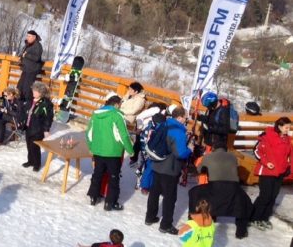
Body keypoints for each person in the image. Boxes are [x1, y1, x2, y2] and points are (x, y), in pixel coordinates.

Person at [190, 142, 252, 239]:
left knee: (194, 192)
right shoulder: (233, 157)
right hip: (233, 188)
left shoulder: (208, 157)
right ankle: (241, 231)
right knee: (243, 203)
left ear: (213, 148)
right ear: (226, 149)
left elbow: (200, 170)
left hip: (215, 186)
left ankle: (200, 218)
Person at [145, 106, 192, 235]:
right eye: (185, 118)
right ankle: (165, 225)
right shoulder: (178, 131)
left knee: (154, 192)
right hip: (170, 168)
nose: (186, 120)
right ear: (179, 117)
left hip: (157, 163)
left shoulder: (163, 124)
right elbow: (180, 153)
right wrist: (190, 149)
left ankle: (150, 216)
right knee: (170, 197)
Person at [86, 95, 134, 211]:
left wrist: (91, 147)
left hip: (98, 151)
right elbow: (123, 135)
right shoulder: (117, 115)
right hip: (113, 152)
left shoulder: (95, 114)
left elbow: (89, 133)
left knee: (97, 174)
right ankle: (110, 203)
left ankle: (93, 197)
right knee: (113, 177)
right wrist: (130, 150)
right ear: (116, 104)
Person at [251, 117, 292, 231]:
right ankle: (254, 217)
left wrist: (288, 167)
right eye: (286, 127)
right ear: (279, 126)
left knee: (273, 196)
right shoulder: (267, 135)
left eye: (289, 128)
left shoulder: (287, 139)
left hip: (280, 172)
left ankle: (264, 218)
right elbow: (256, 151)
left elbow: (289, 155)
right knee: (265, 196)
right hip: (266, 171)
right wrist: (266, 162)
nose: (288, 130)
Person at [22, 81, 54, 171]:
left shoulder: (46, 104)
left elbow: (48, 118)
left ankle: (37, 164)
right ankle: (30, 161)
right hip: (28, 127)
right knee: (29, 145)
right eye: (33, 90)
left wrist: (46, 130)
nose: (33, 92)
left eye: (35, 91)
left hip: (38, 129)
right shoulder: (30, 100)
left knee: (34, 147)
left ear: (41, 92)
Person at [17, 30, 43, 105]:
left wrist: (26, 55)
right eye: (27, 36)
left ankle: (27, 104)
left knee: (27, 88)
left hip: (32, 70)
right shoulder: (28, 44)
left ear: (34, 37)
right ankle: (19, 103)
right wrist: (20, 57)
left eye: (29, 36)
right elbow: (23, 53)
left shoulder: (38, 46)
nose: (27, 37)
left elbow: (37, 58)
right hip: (25, 68)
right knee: (19, 87)